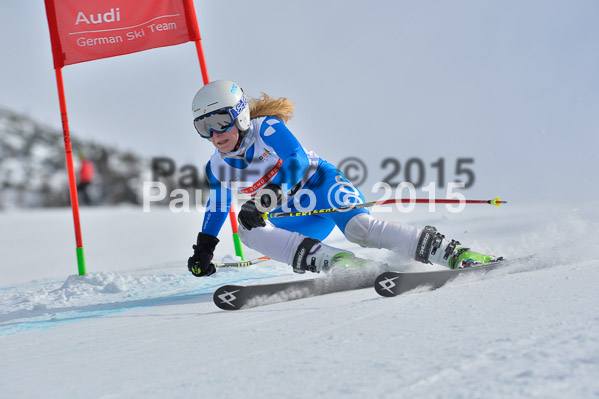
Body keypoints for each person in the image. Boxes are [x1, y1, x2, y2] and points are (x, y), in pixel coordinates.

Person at [187, 80, 499, 277]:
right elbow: (217, 209)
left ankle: (454, 253)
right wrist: (204, 249)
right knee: (248, 231)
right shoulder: (216, 168)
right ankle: (339, 264)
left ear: (240, 115)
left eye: (220, 121)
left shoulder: (266, 128)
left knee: (360, 229)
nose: (215, 134)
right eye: (204, 127)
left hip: (320, 186)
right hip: (294, 215)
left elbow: (296, 160)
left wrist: (264, 199)